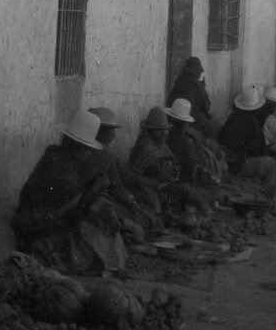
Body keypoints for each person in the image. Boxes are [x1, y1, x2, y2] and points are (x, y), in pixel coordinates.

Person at [11, 110, 127, 274]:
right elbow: (72, 211)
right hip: (34, 226)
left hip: (39, 220)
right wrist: (93, 192)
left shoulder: (59, 159)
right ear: (78, 149)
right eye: (88, 150)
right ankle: (110, 259)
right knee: (94, 220)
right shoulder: (61, 169)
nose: (90, 154)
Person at [87, 105, 162, 238]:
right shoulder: (104, 155)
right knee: (146, 217)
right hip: (98, 204)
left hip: (91, 202)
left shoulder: (90, 150)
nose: (114, 135)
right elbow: (118, 189)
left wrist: (146, 182)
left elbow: (123, 172)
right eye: (111, 131)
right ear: (100, 131)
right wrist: (133, 205)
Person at [218, 85, 276, 187]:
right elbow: (260, 149)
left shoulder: (232, 117)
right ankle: (268, 192)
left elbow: (220, 138)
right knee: (271, 163)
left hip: (225, 161)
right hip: (239, 166)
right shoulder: (253, 122)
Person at [129, 106, 180, 186]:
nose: (165, 133)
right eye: (160, 130)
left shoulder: (160, 144)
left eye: (165, 129)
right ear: (150, 130)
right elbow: (165, 174)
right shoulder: (146, 148)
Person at [167, 56, 217, 136]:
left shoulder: (179, 81)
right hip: (190, 119)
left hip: (172, 116)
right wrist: (202, 87)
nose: (201, 73)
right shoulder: (195, 84)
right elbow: (207, 106)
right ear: (196, 70)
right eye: (199, 71)